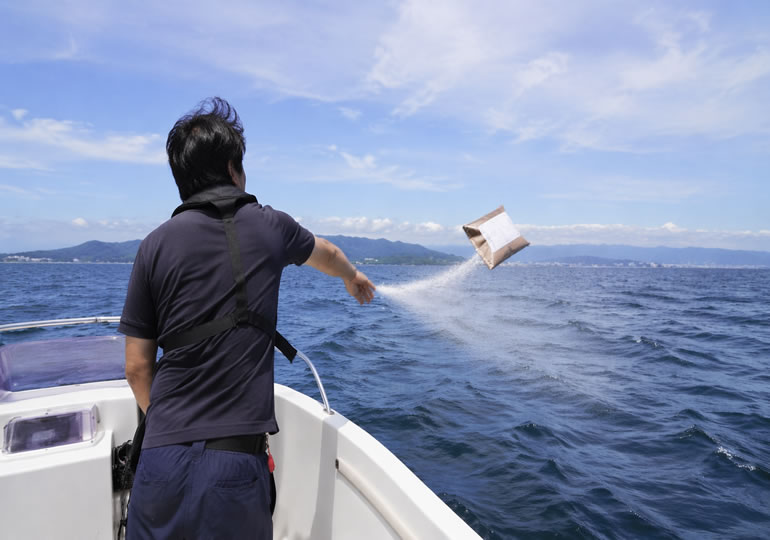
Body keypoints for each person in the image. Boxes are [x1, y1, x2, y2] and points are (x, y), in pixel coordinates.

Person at [118, 97, 375, 539]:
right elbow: (327, 253)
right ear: (234, 168)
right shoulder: (269, 225)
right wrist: (352, 277)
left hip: (158, 462)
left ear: (182, 178)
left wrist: (168, 427)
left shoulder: (153, 246)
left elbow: (137, 367)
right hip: (234, 468)